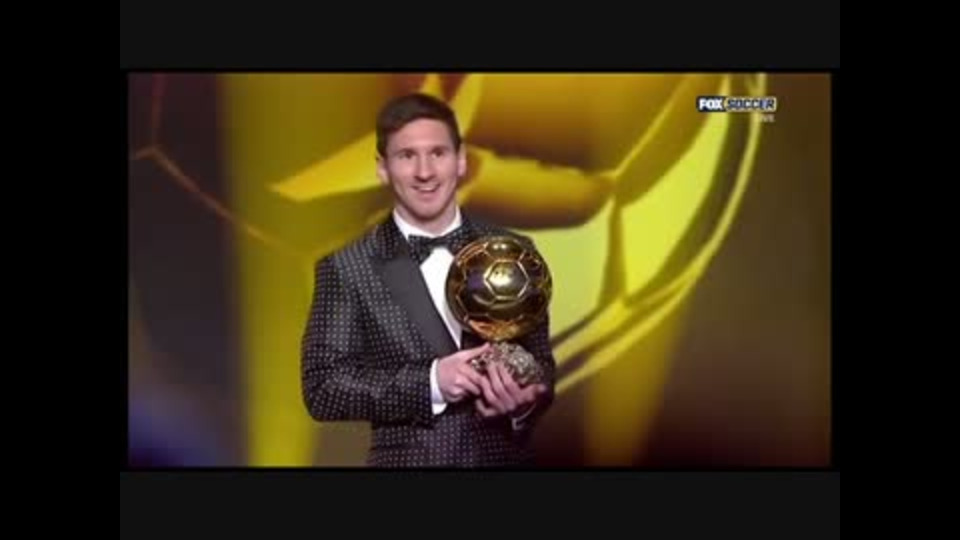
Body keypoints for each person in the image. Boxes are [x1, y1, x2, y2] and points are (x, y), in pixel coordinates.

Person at [300, 92, 556, 467]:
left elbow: (542, 366)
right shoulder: (346, 267)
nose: (425, 171)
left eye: (438, 153)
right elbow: (323, 389)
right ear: (382, 168)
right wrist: (431, 382)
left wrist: (524, 403)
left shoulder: (516, 253)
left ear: (461, 160)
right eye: (407, 155)